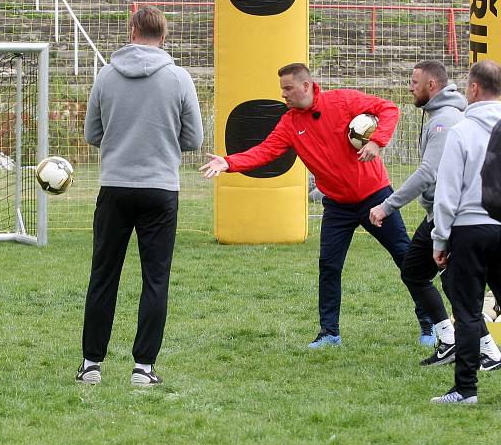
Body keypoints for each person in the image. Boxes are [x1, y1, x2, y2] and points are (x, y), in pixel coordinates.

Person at [200, 63, 432, 348]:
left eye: (288, 88)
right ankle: (329, 334)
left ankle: (430, 324)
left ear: (306, 86)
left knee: (405, 258)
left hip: (376, 197)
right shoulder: (290, 122)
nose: (284, 94)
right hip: (336, 205)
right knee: (329, 266)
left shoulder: (342, 100)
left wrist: (377, 142)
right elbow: (265, 151)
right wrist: (229, 162)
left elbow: (388, 108)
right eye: (282, 89)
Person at [76, 6, 204, 386]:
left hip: (115, 186)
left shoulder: (105, 75)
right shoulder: (179, 78)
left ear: (131, 31)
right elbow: (193, 139)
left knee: (103, 276)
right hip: (160, 188)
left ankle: (91, 365)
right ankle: (143, 368)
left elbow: (92, 134)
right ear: (163, 36)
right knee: (155, 279)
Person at [369, 61, 501, 368]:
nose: (409, 87)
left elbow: (431, 174)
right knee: (419, 272)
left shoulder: (446, 122)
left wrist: (388, 205)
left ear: (432, 85)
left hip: (457, 219)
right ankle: (451, 340)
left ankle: (483, 356)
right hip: (451, 217)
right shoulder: (444, 116)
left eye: (414, 82)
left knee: (456, 287)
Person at [430, 60, 501, 404]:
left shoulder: (461, 130)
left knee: (469, 312)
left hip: (470, 229)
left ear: (473, 88)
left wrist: (440, 238)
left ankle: (466, 390)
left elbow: (447, 192)